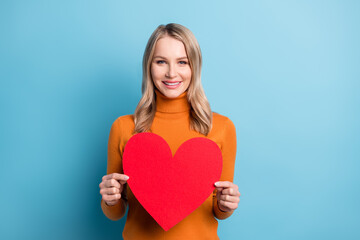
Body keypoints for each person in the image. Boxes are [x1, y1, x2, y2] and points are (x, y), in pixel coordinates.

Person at [99, 23, 241, 239]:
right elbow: (116, 212)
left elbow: (218, 211)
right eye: (161, 62)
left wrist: (226, 204)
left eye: (182, 62)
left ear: (194, 67)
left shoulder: (221, 128)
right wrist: (110, 199)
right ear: (149, 66)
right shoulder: (124, 127)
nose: (171, 73)